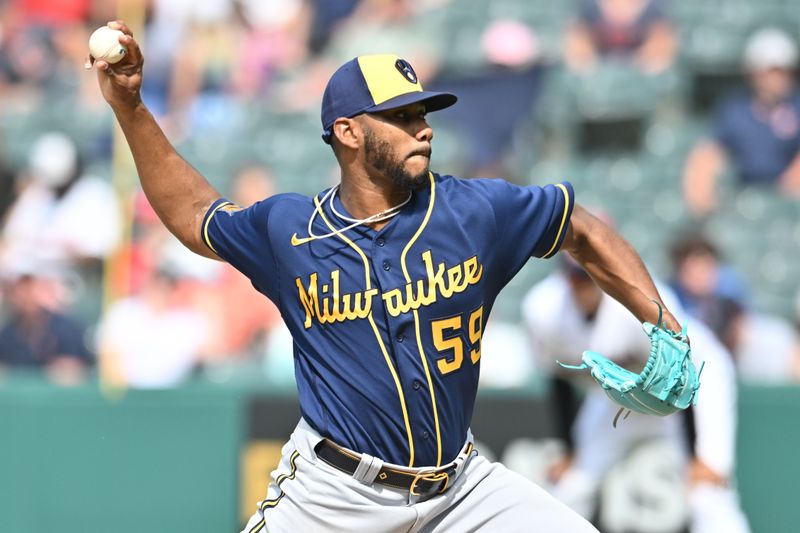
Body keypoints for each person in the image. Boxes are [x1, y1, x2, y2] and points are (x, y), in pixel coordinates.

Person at [88, 21, 686, 533]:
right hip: (333, 494)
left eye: (422, 113)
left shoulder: (473, 212)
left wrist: (663, 324)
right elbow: (196, 216)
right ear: (348, 132)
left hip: (462, 491)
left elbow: (580, 227)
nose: (422, 127)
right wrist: (131, 108)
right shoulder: (291, 232)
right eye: (400, 116)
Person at [522, 258, 751, 533]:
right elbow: (558, 379)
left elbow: (682, 369)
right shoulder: (544, 310)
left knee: (707, 492)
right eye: (575, 276)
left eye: (588, 275)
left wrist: (694, 455)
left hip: (696, 383)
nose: (582, 283)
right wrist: (571, 450)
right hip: (622, 393)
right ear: (564, 278)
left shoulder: (639, 301)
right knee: (574, 483)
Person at [682, 28, 800, 216]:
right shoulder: (734, 110)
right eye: (773, 71)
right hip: (744, 193)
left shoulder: (796, 106)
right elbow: (710, 152)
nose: (780, 78)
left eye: (785, 71)